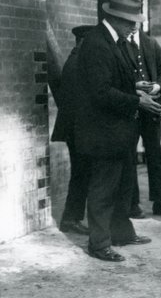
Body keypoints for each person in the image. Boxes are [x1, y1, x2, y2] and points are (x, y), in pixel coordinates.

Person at [74, 0, 161, 262]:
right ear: (112, 18)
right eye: (129, 20)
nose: (135, 26)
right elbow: (100, 92)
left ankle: (122, 233)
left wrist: (135, 87)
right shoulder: (96, 44)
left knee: (124, 186)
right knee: (103, 189)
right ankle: (98, 244)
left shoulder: (117, 41)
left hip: (120, 131)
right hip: (102, 133)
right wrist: (138, 101)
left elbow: (113, 81)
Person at [124, 16, 161, 219]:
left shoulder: (150, 43)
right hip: (129, 108)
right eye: (129, 22)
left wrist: (159, 86)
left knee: (156, 155)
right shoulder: (119, 43)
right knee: (129, 155)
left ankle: (160, 202)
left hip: (152, 110)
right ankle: (132, 204)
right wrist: (133, 89)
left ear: (141, 22)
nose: (133, 26)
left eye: (136, 22)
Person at [51, 25, 94, 236]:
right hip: (78, 129)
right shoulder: (79, 63)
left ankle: (72, 218)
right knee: (81, 174)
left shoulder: (74, 60)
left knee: (82, 173)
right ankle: (71, 219)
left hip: (77, 128)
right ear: (84, 41)